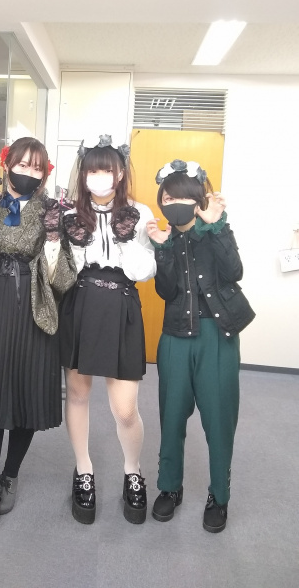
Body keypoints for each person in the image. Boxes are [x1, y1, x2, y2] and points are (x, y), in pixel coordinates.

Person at [0, 137, 76, 531]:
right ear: (7, 165)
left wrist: (54, 236)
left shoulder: (49, 211)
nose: (28, 173)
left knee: (26, 392)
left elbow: (62, 278)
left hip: (33, 307)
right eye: (22, 165)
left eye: (37, 168)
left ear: (45, 174)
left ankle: (11, 475)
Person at [146, 159, 255, 533]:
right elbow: (166, 291)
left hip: (217, 337)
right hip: (175, 337)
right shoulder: (166, 239)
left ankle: (219, 496)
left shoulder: (216, 229)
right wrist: (162, 249)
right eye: (167, 197)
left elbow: (235, 271)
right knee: (171, 415)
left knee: (219, 420)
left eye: (181, 196)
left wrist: (215, 225)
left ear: (197, 199)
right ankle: (169, 487)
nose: (173, 203)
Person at [59, 134, 156, 525]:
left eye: (108, 170)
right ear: (83, 173)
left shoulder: (139, 211)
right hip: (80, 303)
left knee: (125, 409)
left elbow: (145, 271)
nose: (100, 177)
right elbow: (64, 271)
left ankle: (133, 471)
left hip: (121, 305)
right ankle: (84, 470)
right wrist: (74, 242)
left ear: (120, 173)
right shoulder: (69, 212)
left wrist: (126, 237)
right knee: (78, 394)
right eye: (93, 170)